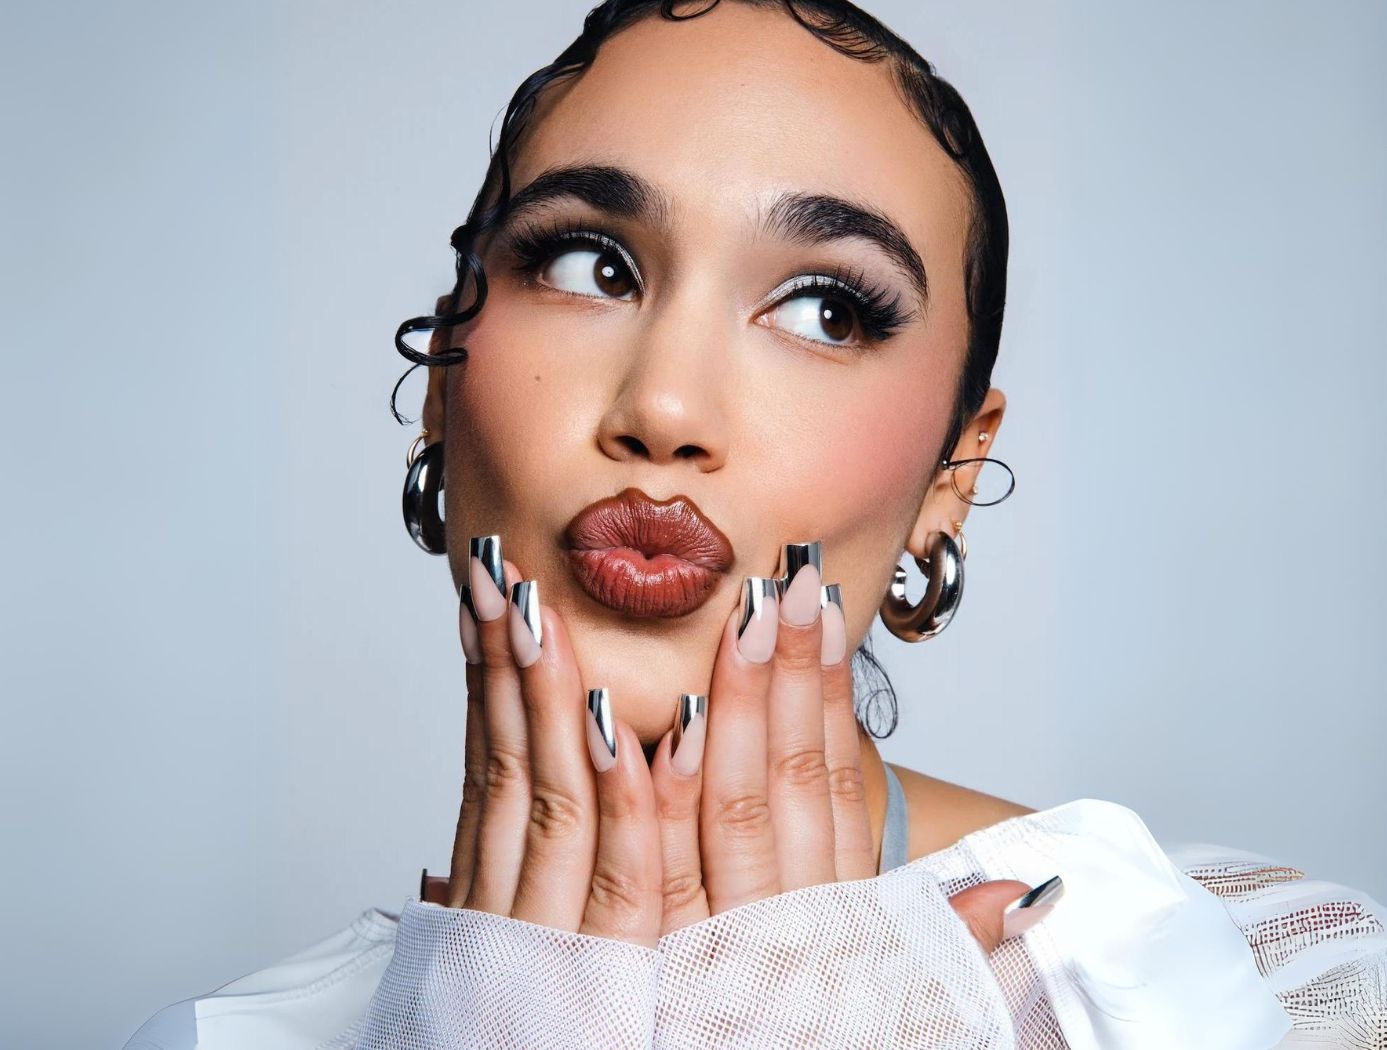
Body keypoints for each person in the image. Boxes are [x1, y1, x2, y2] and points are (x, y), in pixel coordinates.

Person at [123, 1, 1386, 1047]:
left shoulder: (1245, 977)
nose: (664, 407)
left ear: (955, 466)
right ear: (447, 383)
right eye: (585, 264)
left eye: (828, 309)